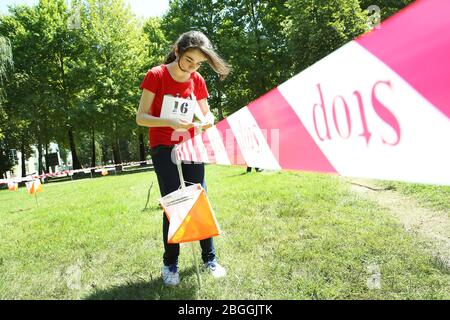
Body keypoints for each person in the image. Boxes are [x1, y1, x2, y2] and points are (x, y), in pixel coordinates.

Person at [136, 31, 230, 286]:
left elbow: (206, 113)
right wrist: (169, 121)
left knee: (199, 200)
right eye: (189, 60)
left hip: (191, 146)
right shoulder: (156, 75)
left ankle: (209, 258)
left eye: (198, 63)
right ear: (177, 51)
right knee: (173, 205)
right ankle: (171, 264)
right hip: (164, 147)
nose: (192, 67)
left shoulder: (197, 80)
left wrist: (208, 121)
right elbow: (141, 117)